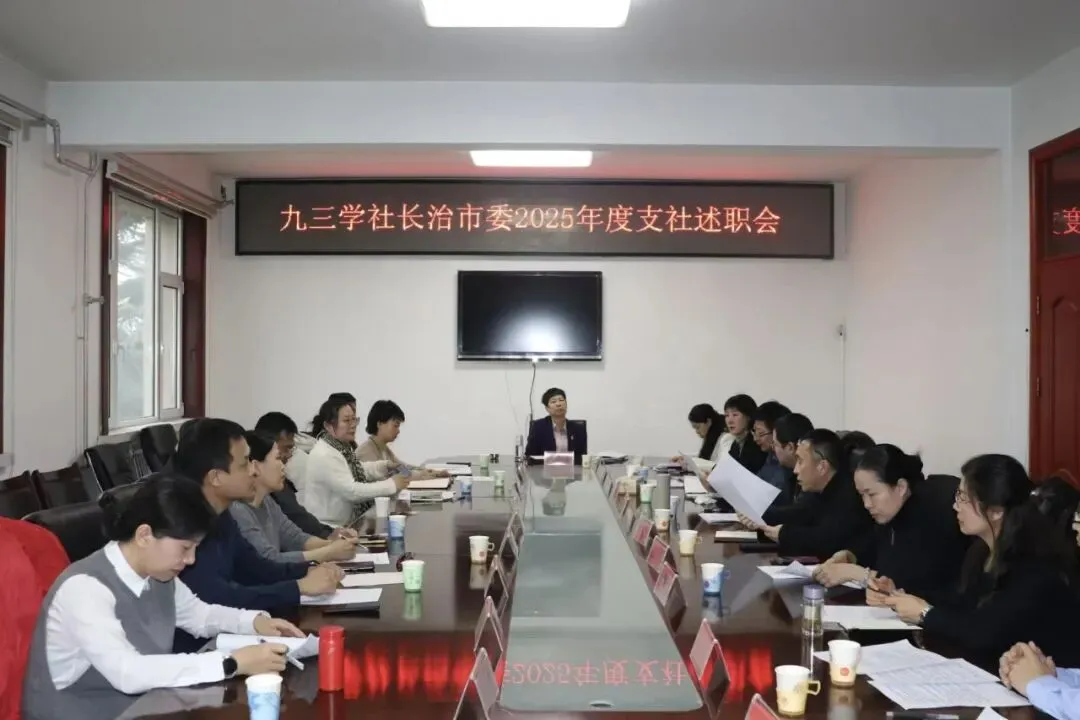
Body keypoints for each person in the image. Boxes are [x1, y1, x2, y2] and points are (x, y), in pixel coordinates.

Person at [21, 476, 303, 720]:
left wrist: (255, 622)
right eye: (185, 548)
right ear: (144, 535)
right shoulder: (84, 588)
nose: (190, 560)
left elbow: (200, 616)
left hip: (144, 710)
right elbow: (127, 672)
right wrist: (231, 663)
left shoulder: (158, 575)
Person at [885, 454, 1080, 670]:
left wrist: (925, 614)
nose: (955, 506)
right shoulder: (981, 551)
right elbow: (959, 600)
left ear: (995, 511)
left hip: (1052, 680)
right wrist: (900, 593)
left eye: (964, 499)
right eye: (958, 495)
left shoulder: (1035, 566)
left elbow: (984, 632)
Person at [174, 419, 342, 651]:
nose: (253, 470)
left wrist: (308, 570)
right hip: (199, 649)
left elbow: (256, 567)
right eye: (245, 463)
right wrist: (298, 587)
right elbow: (219, 597)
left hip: (230, 634)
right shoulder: (183, 526)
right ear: (216, 477)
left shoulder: (221, 515)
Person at [813, 444, 970, 600]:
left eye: (872, 494)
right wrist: (849, 556)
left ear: (901, 487)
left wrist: (856, 573)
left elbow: (909, 581)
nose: (867, 504)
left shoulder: (930, 514)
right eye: (861, 495)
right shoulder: (892, 512)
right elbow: (874, 547)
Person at [230, 431, 361, 564]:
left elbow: (295, 538)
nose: (283, 466)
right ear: (256, 466)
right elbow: (268, 560)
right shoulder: (238, 510)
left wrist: (336, 544)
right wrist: (329, 552)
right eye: (278, 458)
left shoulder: (267, 501)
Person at [750, 429, 873, 560]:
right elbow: (797, 515)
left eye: (800, 461)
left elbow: (826, 540)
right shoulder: (819, 491)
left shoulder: (849, 497)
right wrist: (759, 518)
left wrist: (783, 534)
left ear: (822, 467)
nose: (796, 470)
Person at [301, 396, 410, 527]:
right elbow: (352, 491)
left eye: (354, 419)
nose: (353, 425)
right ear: (328, 426)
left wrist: (384, 466)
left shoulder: (340, 447)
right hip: (328, 528)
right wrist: (391, 484)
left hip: (344, 523)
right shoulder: (325, 454)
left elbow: (358, 469)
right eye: (347, 420)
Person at [254, 411, 344, 540]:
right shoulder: (243, 506)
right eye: (285, 449)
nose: (289, 455)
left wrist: (330, 534)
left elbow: (296, 528)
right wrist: (329, 538)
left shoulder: (272, 494)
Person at [356, 399, 449, 478]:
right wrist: (423, 474)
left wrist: (431, 472)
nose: (398, 431)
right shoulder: (366, 452)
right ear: (379, 424)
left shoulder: (383, 448)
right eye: (395, 426)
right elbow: (396, 476)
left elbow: (403, 468)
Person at [524, 387, 588, 464]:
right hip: (544, 469)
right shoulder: (538, 427)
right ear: (547, 408)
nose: (558, 404)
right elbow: (530, 456)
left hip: (572, 470)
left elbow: (581, 459)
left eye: (561, 400)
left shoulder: (578, 429)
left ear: (566, 404)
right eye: (553, 402)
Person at [751, 401, 793, 499]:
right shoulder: (770, 455)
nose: (755, 439)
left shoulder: (787, 461)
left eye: (761, 434)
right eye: (754, 432)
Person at [723, 394, 767, 474]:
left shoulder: (757, 443)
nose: (729, 421)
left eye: (735, 415)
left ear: (748, 416)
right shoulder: (736, 443)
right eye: (727, 415)